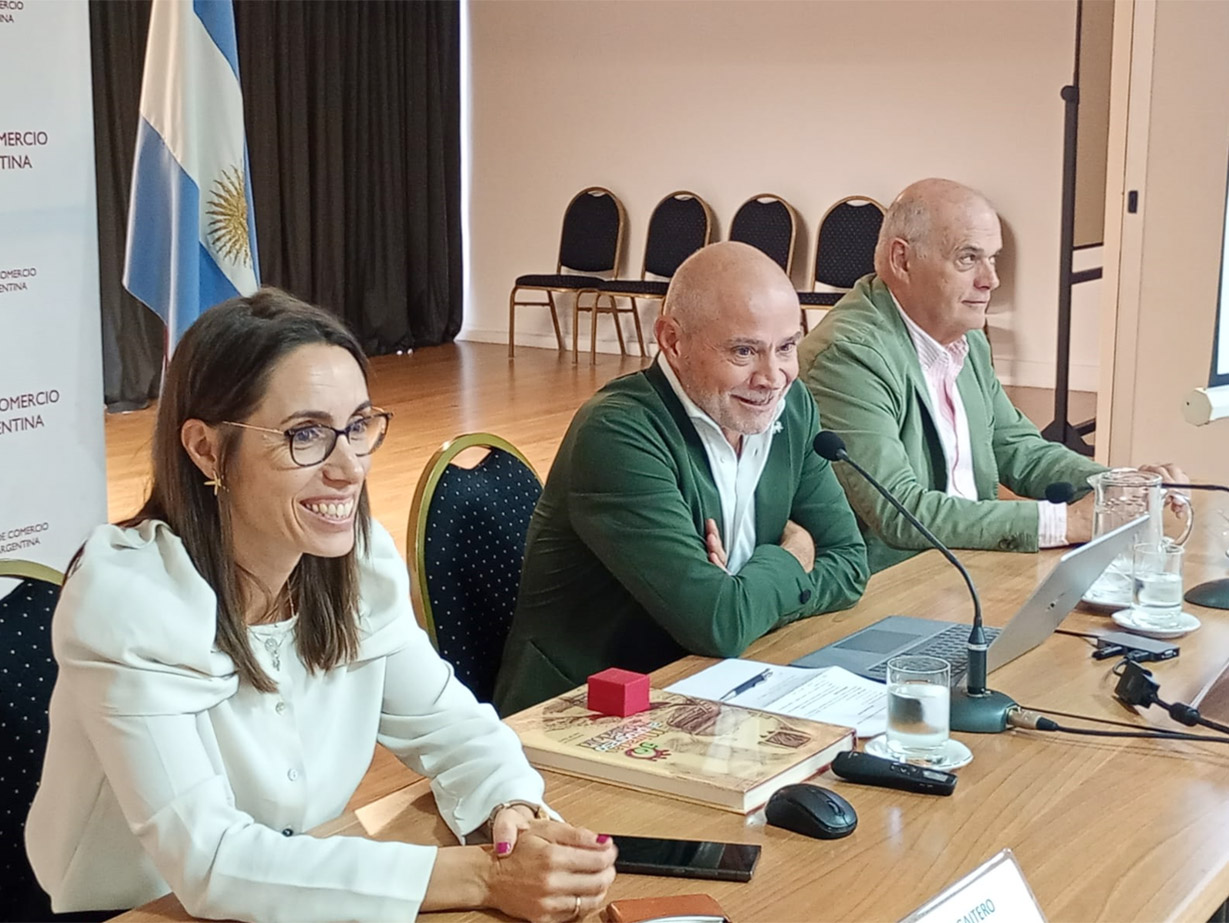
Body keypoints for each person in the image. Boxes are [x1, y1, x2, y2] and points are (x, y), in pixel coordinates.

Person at [26, 290, 616, 922]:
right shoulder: (130, 599)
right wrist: (483, 876)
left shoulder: (356, 562)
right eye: (305, 434)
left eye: (357, 427)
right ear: (205, 448)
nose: (350, 469)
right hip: (136, 911)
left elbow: (452, 728)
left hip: (291, 890)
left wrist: (513, 812)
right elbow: (212, 865)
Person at [494, 242, 869, 717]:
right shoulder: (617, 433)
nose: (773, 378)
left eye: (787, 347)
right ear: (672, 340)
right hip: (585, 713)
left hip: (714, 688)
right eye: (744, 351)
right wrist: (791, 559)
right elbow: (719, 624)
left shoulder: (792, 410)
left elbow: (850, 563)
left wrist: (745, 593)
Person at [799, 178, 1186, 572]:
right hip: (895, 582)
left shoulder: (965, 339)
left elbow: (1019, 449)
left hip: (968, 561)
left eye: (992, 258)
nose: (991, 280)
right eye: (968, 258)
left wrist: (1120, 487)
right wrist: (1069, 522)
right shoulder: (847, 356)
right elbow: (899, 510)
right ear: (903, 260)